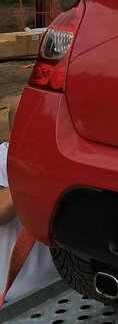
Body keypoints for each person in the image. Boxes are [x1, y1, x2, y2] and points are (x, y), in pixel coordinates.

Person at [1, 93, 61, 306]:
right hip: (11, 301)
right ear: (12, 134)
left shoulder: (63, 161)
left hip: (61, 290)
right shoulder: (2, 160)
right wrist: (34, 177)